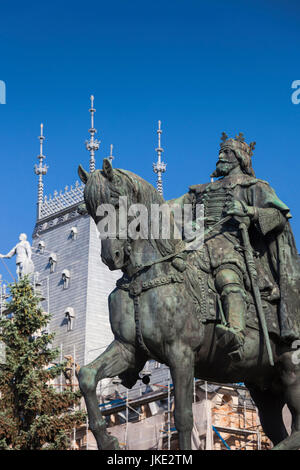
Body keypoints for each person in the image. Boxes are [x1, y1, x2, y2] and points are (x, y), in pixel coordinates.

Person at [174, 133, 300, 360]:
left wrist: (249, 211)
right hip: (195, 244)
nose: (220, 156)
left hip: (231, 245)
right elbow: (169, 207)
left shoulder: (255, 187)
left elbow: (279, 216)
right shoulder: (201, 191)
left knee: (227, 276)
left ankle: (236, 330)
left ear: (240, 158)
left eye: (226, 152)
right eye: (220, 152)